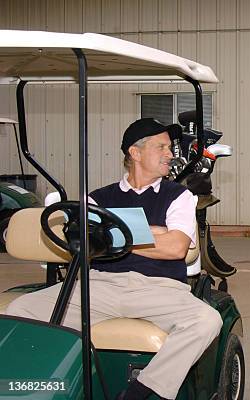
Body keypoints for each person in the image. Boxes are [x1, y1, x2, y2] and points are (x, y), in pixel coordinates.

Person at [6, 118, 223, 400]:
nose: (171, 155)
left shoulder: (179, 196)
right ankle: (37, 387)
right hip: (100, 285)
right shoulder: (96, 198)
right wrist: (152, 232)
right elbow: (83, 243)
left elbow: (175, 248)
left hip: (159, 289)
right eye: (162, 147)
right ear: (135, 152)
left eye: (170, 148)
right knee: (18, 312)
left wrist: (115, 236)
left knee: (207, 321)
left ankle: (141, 391)